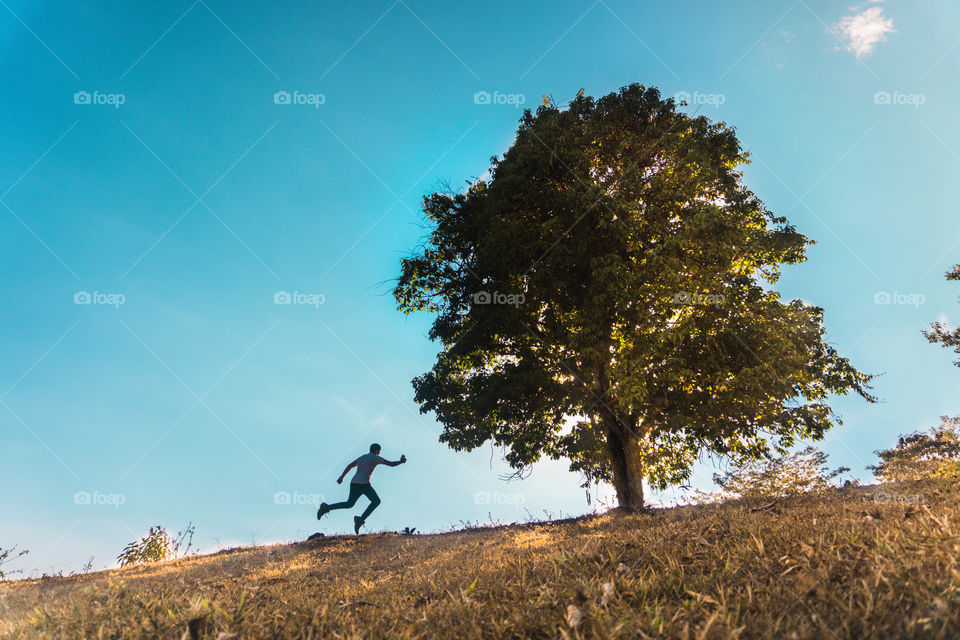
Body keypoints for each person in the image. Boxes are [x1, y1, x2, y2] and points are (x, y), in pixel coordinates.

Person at [317, 443, 406, 533]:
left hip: (355, 483)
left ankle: (326, 508)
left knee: (349, 504)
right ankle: (360, 519)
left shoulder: (363, 457)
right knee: (376, 501)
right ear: (376, 450)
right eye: (379, 451)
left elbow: (350, 465)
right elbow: (391, 464)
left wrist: (342, 477)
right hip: (364, 485)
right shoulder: (375, 458)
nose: (379, 452)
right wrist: (401, 461)